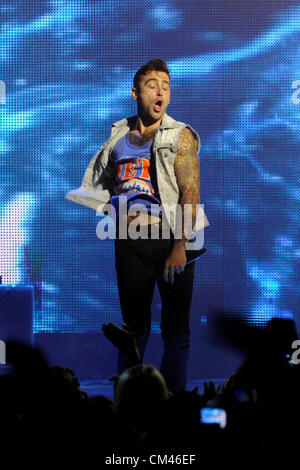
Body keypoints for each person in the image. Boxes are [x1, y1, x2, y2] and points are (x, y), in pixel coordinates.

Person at [65, 58, 210, 392]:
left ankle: (171, 406)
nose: (160, 90)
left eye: (166, 85)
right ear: (135, 93)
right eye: (152, 84)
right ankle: (129, 402)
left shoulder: (179, 135)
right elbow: (105, 184)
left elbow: (190, 192)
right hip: (129, 243)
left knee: (175, 330)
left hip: (170, 239)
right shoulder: (117, 138)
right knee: (134, 329)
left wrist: (179, 247)